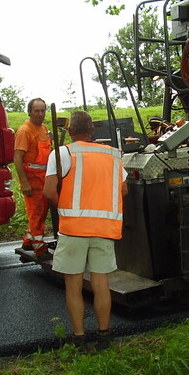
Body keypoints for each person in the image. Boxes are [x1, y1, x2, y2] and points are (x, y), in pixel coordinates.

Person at [44, 110, 128, 351]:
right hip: (104, 228)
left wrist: (67, 205)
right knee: (101, 283)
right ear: (93, 131)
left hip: (73, 230)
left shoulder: (62, 153)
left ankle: (79, 339)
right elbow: (123, 191)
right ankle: (104, 337)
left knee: (74, 285)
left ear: (69, 132)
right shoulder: (112, 155)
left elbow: (49, 192)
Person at [13, 97, 52, 256]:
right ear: (29, 112)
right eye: (37, 111)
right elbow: (17, 158)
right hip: (32, 180)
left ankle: (29, 240)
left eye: (43, 110)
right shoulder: (25, 131)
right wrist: (24, 182)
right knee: (36, 212)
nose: (40, 114)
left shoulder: (43, 128)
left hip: (43, 179)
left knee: (41, 212)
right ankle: (39, 246)